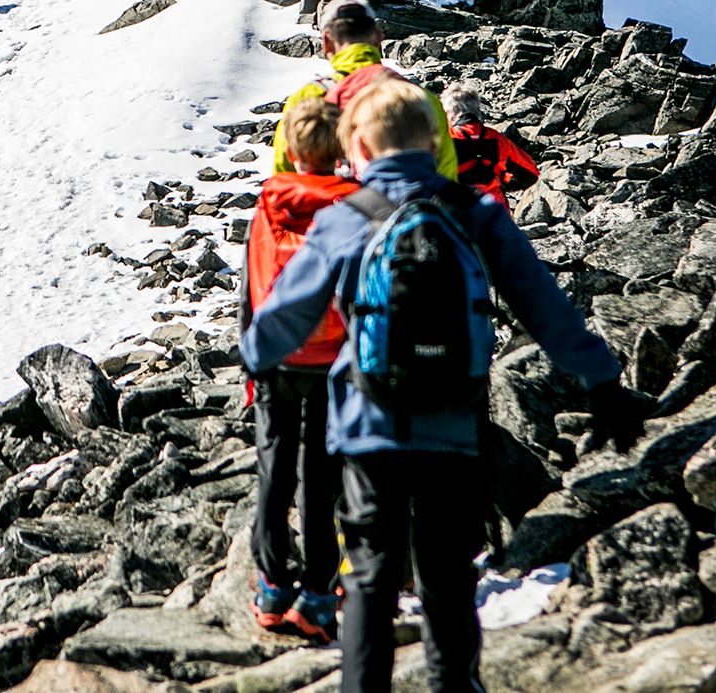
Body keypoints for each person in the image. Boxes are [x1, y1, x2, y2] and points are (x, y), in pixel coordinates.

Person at [243, 79, 645, 693]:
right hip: (455, 421)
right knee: (446, 575)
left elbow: (283, 320)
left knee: (372, 576)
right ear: (433, 143)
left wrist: (254, 354)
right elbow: (543, 304)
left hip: (367, 423)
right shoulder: (473, 211)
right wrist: (602, 381)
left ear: (358, 145)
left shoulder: (346, 217)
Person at [244, 97, 357, 641]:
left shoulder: (269, 200)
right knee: (322, 477)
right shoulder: (358, 204)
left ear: (289, 148)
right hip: (336, 361)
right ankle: (316, 593)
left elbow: (251, 286)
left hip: (278, 358)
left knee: (274, 467)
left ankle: (270, 584)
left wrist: (251, 362)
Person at [271, 0, 457, 178]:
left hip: (334, 206)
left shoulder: (307, 98)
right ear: (378, 39)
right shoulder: (421, 98)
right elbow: (446, 171)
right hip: (409, 205)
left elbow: (283, 176)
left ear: (326, 42)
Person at [442, 83, 541, 208]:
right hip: (495, 211)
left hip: (458, 214)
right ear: (476, 110)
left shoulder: (447, 139)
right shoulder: (496, 138)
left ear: (451, 113)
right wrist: (502, 183)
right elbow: (530, 173)